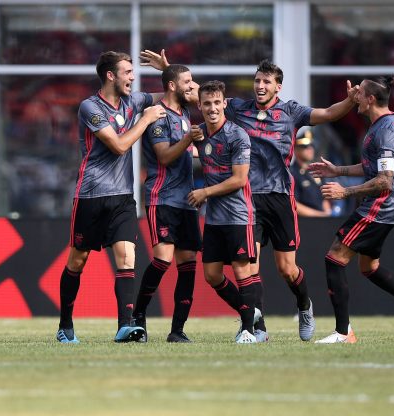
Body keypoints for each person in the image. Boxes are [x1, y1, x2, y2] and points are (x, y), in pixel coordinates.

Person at [140, 49, 358, 342]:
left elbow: (329, 113)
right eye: (257, 81)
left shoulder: (291, 112)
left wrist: (350, 101)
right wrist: (169, 70)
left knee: (286, 268)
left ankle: (304, 305)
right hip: (248, 200)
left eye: (266, 82)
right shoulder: (238, 108)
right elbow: (201, 97)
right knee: (249, 268)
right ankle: (256, 326)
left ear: (277, 86)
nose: (260, 86)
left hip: (280, 197)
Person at [308, 76, 394, 344]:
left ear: (371, 99)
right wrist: (338, 171)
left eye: (359, 93)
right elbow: (374, 168)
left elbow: (384, 181)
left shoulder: (386, 131)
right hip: (386, 208)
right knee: (369, 267)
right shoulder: (389, 123)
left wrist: (344, 191)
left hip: (378, 207)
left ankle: (344, 333)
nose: (354, 96)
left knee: (334, 258)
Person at [56, 51, 167, 344]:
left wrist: (167, 70)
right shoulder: (90, 107)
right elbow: (119, 146)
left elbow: (173, 94)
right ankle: (65, 325)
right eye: (127, 72)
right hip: (91, 195)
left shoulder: (133, 101)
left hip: (122, 198)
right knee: (77, 262)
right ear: (110, 75)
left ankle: (125, 325)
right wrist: (144, 122)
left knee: (127, 257)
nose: (132, 77)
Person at [132, 64, 203, 343]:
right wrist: (188, 139)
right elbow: (163, 157)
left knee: (188, 265)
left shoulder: (184, 113)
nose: (192, 86)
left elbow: (201, 96)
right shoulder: (159, 116)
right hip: (162, 198)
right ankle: (138, 316)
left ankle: (177, 330)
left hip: (186, 200)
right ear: (172, 85)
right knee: (162, 260)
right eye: (187, 81)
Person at [188, 80, 261, 343]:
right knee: (212, 275)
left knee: (243, 272)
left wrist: (204, 193)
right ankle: (252, 315)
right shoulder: (199, 134)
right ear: (200, 106)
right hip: (215, 219)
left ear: (224, 104)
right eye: (206, 103)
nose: (212, 108)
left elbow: (239, 179)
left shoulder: (237, 135)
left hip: (238, 215)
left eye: (216, 103)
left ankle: (249, 331)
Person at [289, 128, 332, 217]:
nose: (310, 149)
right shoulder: (292, 173)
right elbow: (293, 203)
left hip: (321, 220)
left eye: (311, 145)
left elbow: (323, 197)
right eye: (305, 147)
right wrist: (320, 215)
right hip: (304, 222)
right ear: (295, 150)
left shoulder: (315, 171)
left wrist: (327, 212)